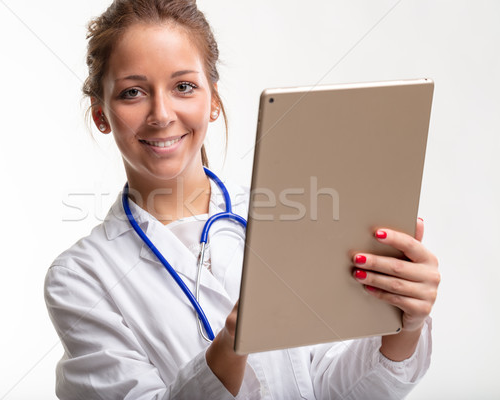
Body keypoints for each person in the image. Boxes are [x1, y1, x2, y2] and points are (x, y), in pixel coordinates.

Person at [44, 0, 441, 398]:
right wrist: (235, 340)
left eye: (183, 86)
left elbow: (330, 387)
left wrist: (404, 326)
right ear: (101, 114)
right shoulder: (79, 280)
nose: (161, 114)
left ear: (213, 100)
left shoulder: (289, 219)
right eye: (133, 92)